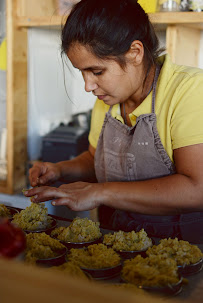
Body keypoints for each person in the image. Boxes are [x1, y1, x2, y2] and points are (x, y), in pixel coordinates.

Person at [24, 0, 203, 242]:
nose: (88, 86)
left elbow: (196, 189)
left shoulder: (189, 90)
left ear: (135, 53)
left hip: (183, 249)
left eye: (97, 72)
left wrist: (100, 192)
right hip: (115, 240)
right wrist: (59, 169)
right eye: (82, 73)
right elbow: (96, 159)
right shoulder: (107, 101)